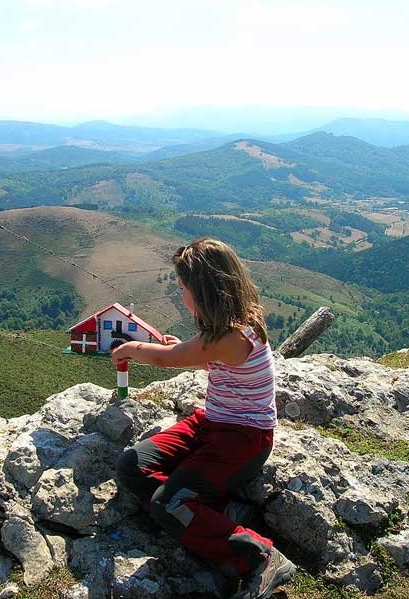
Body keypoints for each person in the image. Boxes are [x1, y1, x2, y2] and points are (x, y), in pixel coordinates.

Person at [111, 237, 296, 599]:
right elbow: (209, 359)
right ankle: (218, 512)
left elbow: (165, 359)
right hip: (212, 423)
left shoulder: (232, 335)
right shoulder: (231, 327)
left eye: (183, 287)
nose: (180, 293)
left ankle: (260, 557)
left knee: (168, 504)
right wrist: (181, 348)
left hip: (242, 440)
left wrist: (132, 348)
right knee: (132, 465)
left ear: (204, 292)